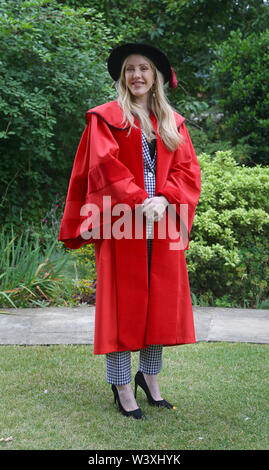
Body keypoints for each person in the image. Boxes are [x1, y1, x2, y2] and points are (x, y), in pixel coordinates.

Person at [59, 43, 201, 420]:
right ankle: (122, 386)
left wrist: (166, 198)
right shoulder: (105, 118)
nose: (136, 75)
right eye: (129, 70)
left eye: (144, 69)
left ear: (155, 76)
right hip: (123, 218)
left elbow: (188, 171)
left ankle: (149, 379)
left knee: (159, 306)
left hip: (163, 220)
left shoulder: (173, 121)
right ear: (122, 78)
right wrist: (142, 199)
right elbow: (103, 166)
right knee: (122, 308)